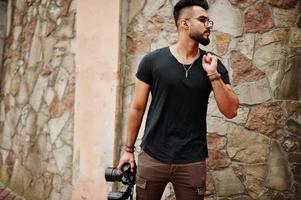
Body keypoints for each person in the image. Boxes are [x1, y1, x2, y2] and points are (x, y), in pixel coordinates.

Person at [117, 0, 239, 199]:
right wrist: (128, 150)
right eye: (202, 20)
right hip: (153, 157)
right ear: (184, 24)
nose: (209, 25)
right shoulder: (152, 61)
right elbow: (137, 107)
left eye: (209, 21)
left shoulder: (213, 64)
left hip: (192, 161)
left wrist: (213, 75)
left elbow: (231, 110)